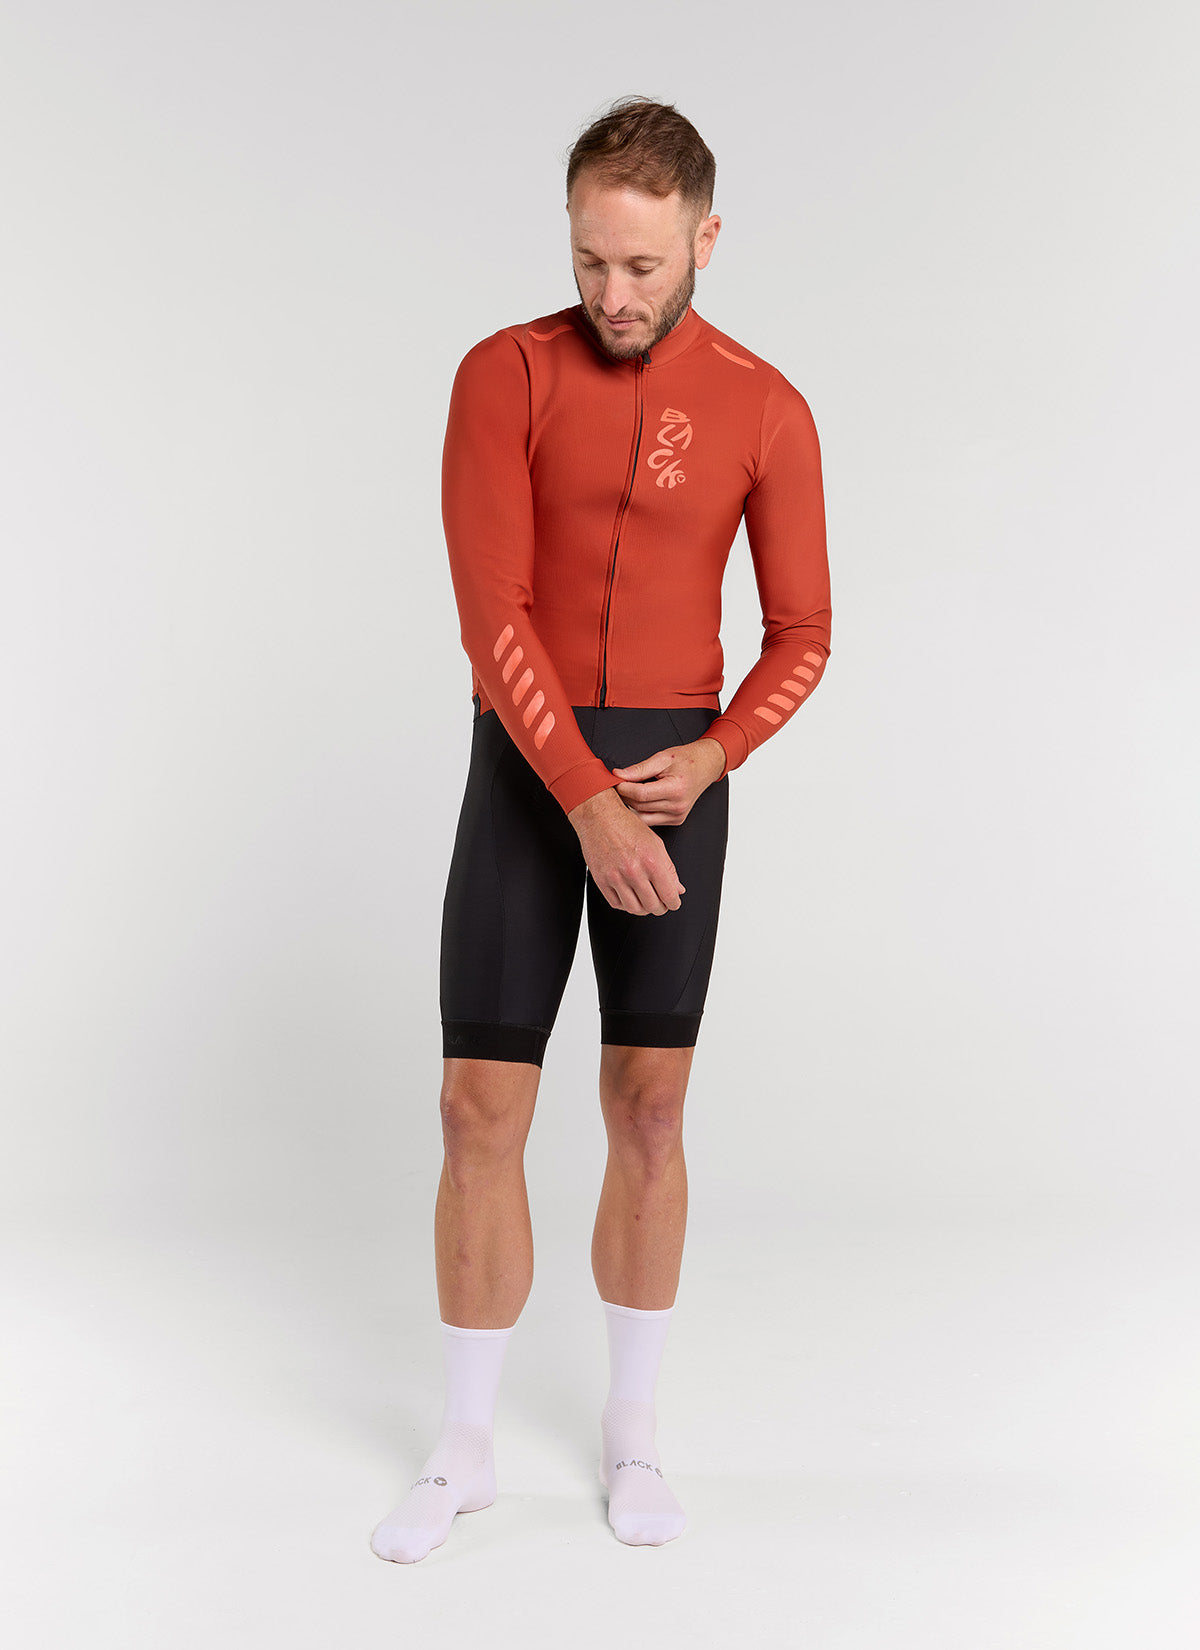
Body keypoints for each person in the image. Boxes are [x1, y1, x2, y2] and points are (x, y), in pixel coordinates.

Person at [371, 95, 831, 1563]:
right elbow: (489, 607)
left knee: (648, 1107)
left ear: (705, 239)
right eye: (589, 261)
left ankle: (633, 1432)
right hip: (532, 765)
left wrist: (712, 754)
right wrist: (579, 798)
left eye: (642, 265)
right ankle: (463, 1447)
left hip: (672, 783)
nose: (613, 295)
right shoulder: (503, 373)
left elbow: (805, 632)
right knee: (476, 1108)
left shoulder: (767, 406)